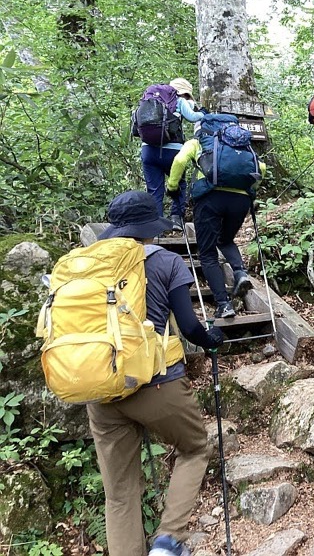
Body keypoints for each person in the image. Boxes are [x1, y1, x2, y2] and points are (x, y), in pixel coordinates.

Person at [87, 190, 225, 556]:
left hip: (100, 391)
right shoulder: (166, 261)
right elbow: (190, 327)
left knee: (119, 494)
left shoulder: (86, 264)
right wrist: (212, 338)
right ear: (151, 227)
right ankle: (167, 542)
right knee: (195, 448)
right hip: (157, 384)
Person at [165, 132, 266, 319]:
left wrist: (172, 187)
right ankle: (239, 272)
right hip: (241, 199)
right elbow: (261, 168)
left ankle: (223, 304)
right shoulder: (241, 144)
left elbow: (179, 161)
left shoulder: (200, 140)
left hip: (210, 198)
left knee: (208, 253)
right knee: (226, 240)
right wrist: (250, 192)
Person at [140, 78, 205, 230]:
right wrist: (204, 113)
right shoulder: (179, 101)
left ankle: (157, 227)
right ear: (184, 93)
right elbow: (192, 117)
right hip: (173, 151)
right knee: (179, 184)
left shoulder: (149, 100)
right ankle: (176, 219)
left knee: (154, 189)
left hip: (149, 150)